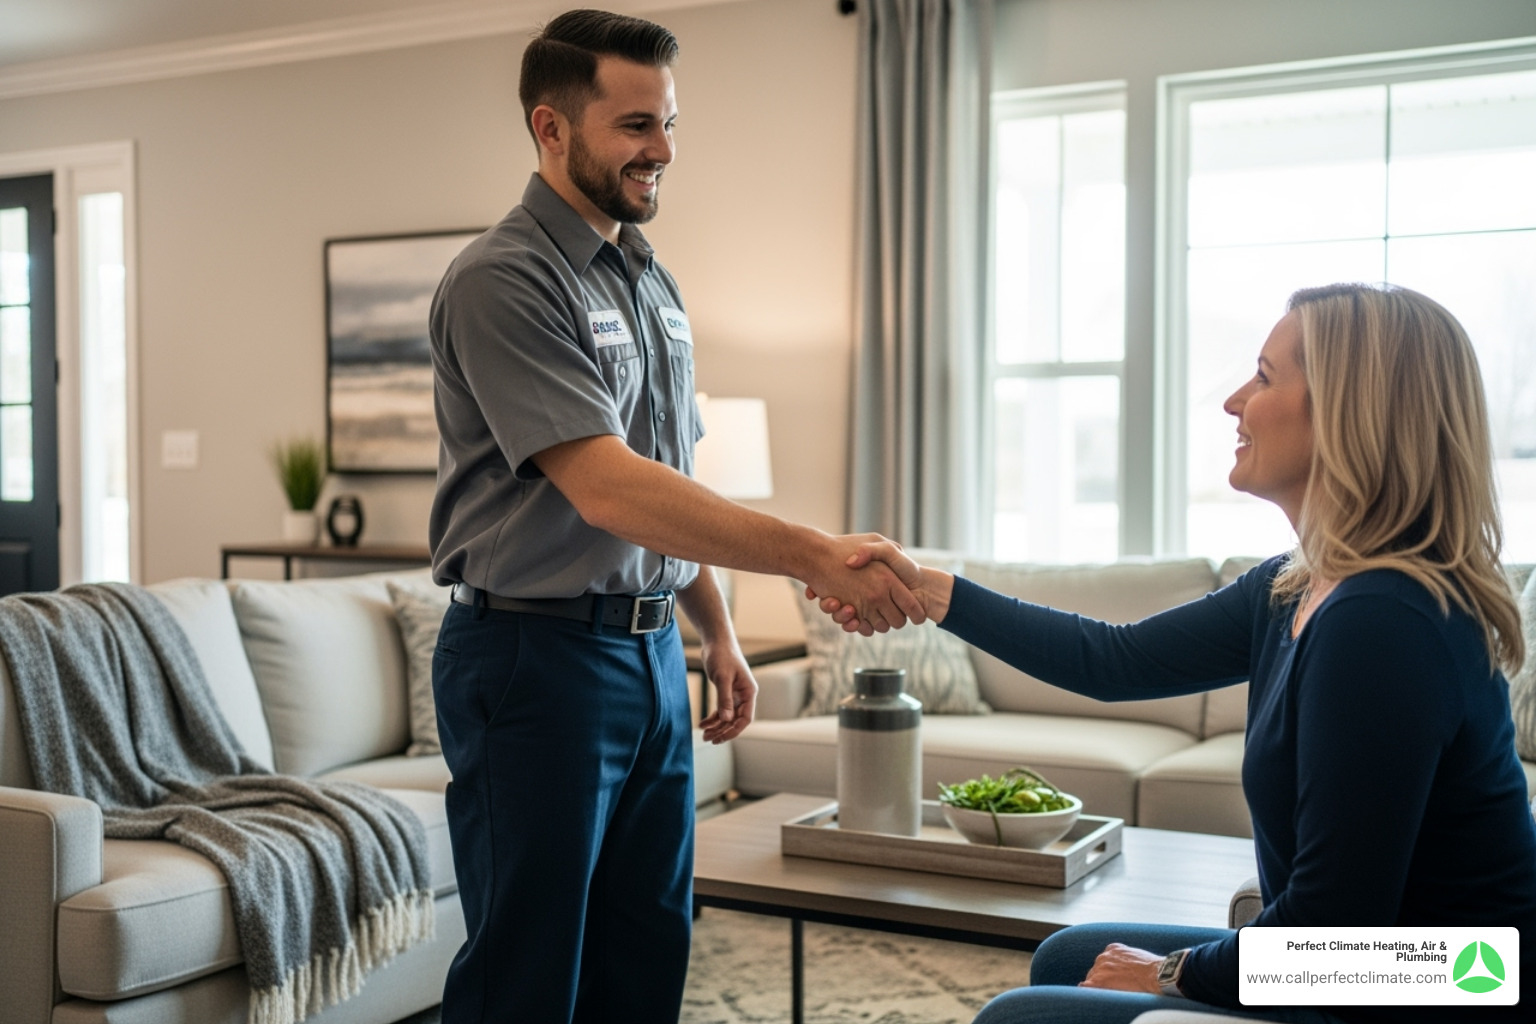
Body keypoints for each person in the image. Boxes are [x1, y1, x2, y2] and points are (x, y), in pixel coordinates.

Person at [819, 283, 1536, 1024]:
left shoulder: (1384, 622)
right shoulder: (1296, 584)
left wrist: (1171, 974)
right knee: (1068, 956)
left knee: (1019, 1017)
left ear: (1347, 412)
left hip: (1435, 989)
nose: (1233, 401)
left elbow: (1332, 939)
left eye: (1264, 377)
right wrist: (933, 592)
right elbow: (1114, 661)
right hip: (1355, 970)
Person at [426, 10, 921, 1023]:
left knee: (648, 950)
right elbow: (610, 487)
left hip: (650, 660)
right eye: (636, 125)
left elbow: (670, 480)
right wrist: (810, 554)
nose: (663, 149)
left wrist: (716, 632)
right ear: (552, 128)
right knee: (528, 973)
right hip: (535, 660)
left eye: (670, 123)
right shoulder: (503, 279)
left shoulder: (653, 282)